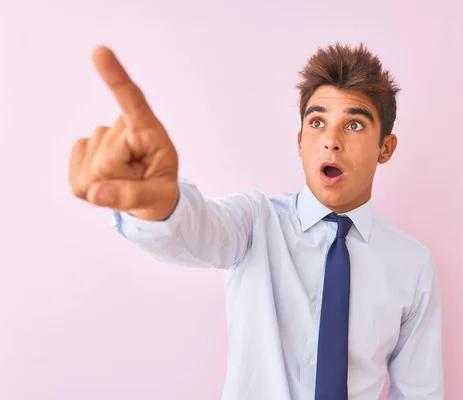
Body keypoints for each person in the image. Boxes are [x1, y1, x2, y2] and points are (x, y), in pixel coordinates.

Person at [69, 42, 444, 400]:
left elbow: (419, 391)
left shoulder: (412, 265)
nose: (331, 141)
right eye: (317, 122)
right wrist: (159, 205)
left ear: (386, 148)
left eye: (355, 125)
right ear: (300, 141)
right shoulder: (254, 222)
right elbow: (199, 229)